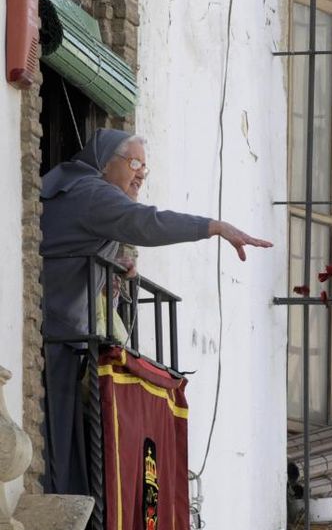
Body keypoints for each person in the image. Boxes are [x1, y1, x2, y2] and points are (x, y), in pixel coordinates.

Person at [40, 128, 272, 495]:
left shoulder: (82, 192)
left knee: (66, 447)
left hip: (59, 334)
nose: (140, 175)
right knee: (55, 448)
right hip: (53, 336)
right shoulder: (93, 192)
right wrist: (213, 227)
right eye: (134, 164)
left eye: (145, 169)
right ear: (104, 162)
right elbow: (147, 222)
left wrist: (116, 261)